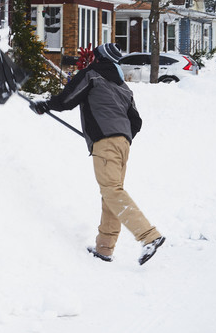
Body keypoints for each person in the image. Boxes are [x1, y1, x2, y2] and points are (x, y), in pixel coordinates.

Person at [30, 43, 166, 265]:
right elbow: (137, 122)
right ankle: (104, 248)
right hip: (123, 144)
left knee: (112, 191)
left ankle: (149, 236)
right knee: (111, 193)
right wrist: (120, 135)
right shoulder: (124, 88)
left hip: (107, 144)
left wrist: (45, 105)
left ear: (98, 58)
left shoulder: (91, 75)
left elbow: (67, 100)